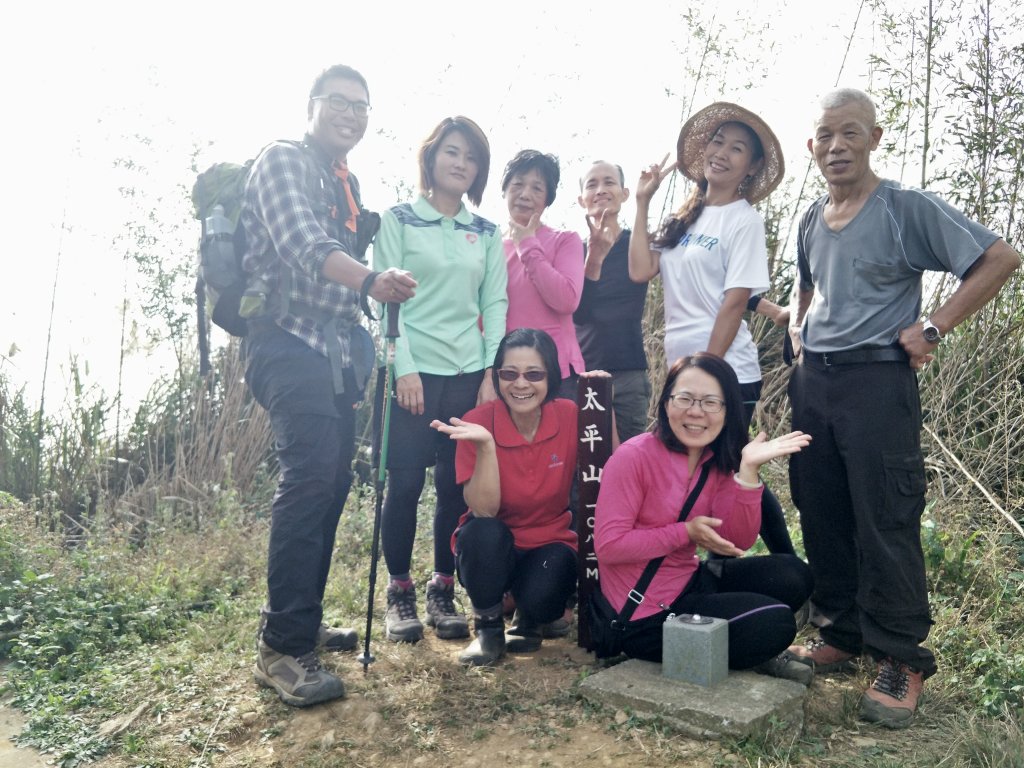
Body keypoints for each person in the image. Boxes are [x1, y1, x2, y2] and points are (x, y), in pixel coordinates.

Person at [786, 87, 1021, 727]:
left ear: (874, 139)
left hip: (877, 383)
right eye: (826, 136)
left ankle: (901, 658)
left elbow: (999, 257)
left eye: (851, 134)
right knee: (820, 503)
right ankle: (841, 630)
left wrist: (936, 326)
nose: (837, 147)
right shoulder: (809, 216)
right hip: (814, 383)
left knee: (885, 514)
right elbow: (806, 284)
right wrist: (800, 328)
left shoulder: (902, 209)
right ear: (812, 147)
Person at [241, 64, 417, 707]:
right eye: (339, 103)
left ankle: (301, 623)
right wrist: (371, 281)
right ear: (312, 105)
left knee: (332, 483)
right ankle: (282, 649)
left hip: (337, 354)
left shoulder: (345, 179)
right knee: (309, 478)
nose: (350, 114)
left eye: (361, 107)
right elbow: (301, 243)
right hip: (287, 345)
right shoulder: (284, 161)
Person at [628, 102, 796, 557]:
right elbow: (641, 269)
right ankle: (714, 560)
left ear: (751, 165)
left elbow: (735, 302)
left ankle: (785, 564)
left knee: (734, 469)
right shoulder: (687, 216)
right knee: (706, 470)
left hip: (727, 373)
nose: (722, 153)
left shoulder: (744, 220)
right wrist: (642, 202)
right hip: (687, 370)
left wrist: (707, 373)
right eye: (718, 141)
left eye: (737, 148)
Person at [371, 116, 508, 644]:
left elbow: (493, 303)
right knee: (404, 484)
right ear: (431, 158)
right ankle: (400, 590)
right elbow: (382, 297)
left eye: (470, 158)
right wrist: (401, 366)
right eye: (451, 152)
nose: (460, 163)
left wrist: (491, 371)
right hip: (413, 370)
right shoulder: (399, 220)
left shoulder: (486, 232)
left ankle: (441, 587)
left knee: (455, 485)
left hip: (468, 372)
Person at [593, 353, 813, 675]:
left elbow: (738, 538)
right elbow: (610, 546)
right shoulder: (633, 457)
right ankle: (751, 647)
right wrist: (686, 532)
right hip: (643, 612)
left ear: (727, 410)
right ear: (666, 403)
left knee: (794, 575)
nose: (696, 411)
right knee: (775, 622)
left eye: (711, 402)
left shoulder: (718, 460)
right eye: (684, 398)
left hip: (690, 581)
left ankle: (739, 642)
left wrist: (748, 473)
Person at [430, 329, 602, 666]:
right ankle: (489, 627)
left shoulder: (569, 414)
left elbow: (607, 467)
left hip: (549, 543)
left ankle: (530, 617)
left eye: (534, 374)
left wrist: (601, 400)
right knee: (482, 532)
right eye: (509, 374)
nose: (520, 384)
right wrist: (486, 448)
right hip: (493, 548)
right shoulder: (476, 422)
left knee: (551, 584)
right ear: (496, 377)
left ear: (551, 376)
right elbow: (484, 509)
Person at [573, 161, 651, 443]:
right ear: (581, 199)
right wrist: (592, 258)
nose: (601, 190)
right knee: (585, 471)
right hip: (583, 373)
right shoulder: (571, 249)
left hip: (629, 372)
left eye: (609, 182)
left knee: (629, 464)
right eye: (591, 184)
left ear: (625, 193)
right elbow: (578, 314)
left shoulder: (638, 245)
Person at [501, 150, 586, 399]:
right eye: (517, 184)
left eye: (537, 188)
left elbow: (567, 300)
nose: (525, 194)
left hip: (559, 375)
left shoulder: (566, 240)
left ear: (548, 199)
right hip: (508, 376)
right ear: (504, 190)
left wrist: (527, 245)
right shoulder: (490, 246)